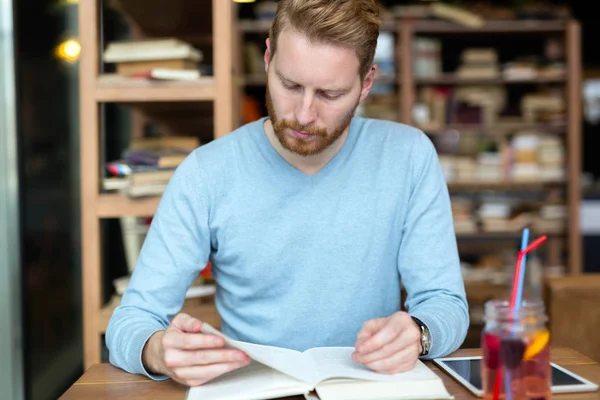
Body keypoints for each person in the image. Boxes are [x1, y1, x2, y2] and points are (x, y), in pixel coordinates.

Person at [106, 0, 469, 388]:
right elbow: (130, 321)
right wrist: (158, 350)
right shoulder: (206, 172)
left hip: (369, 388)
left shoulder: (408, 156)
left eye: (330, 94)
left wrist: (420, 332)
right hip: (251, 390)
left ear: (366, 84)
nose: (304, 115)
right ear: (267, 58)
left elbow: (446, 305)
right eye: (290, 85)